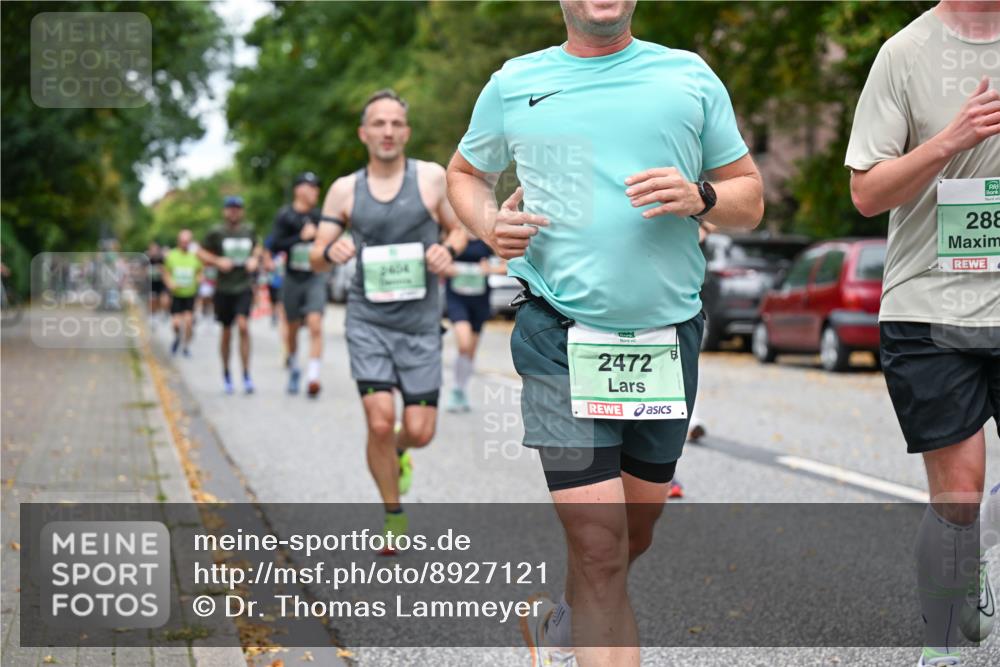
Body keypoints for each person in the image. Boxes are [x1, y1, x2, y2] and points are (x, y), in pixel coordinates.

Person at [446, 2, 763, 664]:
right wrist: (485, 224)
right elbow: (465, 174)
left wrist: (702, 196)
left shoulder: (688, 76)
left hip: (665, 340)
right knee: (598, 542)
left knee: (631, 533)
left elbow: (750, 196)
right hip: (557, 333)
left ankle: (566, 622)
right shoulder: (514, 81)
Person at [846, 2, 999, 665]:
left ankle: (971, 549)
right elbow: (867, 193)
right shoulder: (903, 55)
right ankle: (937, 651)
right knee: (959, 489)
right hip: (929, 303)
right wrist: (950, 140)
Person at [311, 89, 467, 549]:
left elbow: (459, 226)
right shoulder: (344, 189)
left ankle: (400, 451)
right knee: (379, 421)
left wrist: (448, 249)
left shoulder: (432, 179)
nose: (388, 131)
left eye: (396, 123)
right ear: (364, 133)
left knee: (419, 431)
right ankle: (393, 514)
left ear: (407, 132)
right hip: (368, 323)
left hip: (420, 324)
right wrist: (328, 251)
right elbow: (317, 257)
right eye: (378, 124)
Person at [269, 172, 327, 397]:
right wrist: (300, 238)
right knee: (292, 328)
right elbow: (274, 246)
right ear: (298, 190)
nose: (315, 192)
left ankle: (313, 376)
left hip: (314, 276)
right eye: (311, 187)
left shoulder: (320, 216)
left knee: (315, 324)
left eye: (317, 188)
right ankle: (294, 366)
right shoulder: (285, 216)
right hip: (293, 278)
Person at [198, 195, 260, 395]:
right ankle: (226, 374)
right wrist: (217, 261)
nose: (234, 211)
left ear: (241, 211)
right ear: (225, 211)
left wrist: (254, 258)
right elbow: (200, 252)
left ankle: (246, 374)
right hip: (223, 289)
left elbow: (258, 247)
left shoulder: (248, 230)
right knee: (226, 332)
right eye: (230, 208)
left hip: (243, 286)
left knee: (243, 326)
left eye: (237, 208)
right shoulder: (216, 232)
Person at [443, 232, 505, 412]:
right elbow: (438, 261)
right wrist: (448, 268)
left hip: (479, 300)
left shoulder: (487, 238)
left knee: (470, 351)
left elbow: (509, 265)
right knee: (464, 343)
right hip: (456, 298)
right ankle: (457, 388)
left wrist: (490, 269)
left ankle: (460, 390)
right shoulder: (453, 236)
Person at [163, 229, 202, 357]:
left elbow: (200, 272)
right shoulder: (172, 255)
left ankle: (186, 346)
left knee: (189, 322)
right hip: (176, 295)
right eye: (183, 241)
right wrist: (170, 283)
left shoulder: (195, 256)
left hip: (190, 294)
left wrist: (198, 280)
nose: (185, 244)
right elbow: (166, 273)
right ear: (178, 241)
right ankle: (177, 338)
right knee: (176, 324)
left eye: (187, 242)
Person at [145, 241, 168, 321]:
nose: (154, 251)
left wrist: (161, 269)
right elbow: (142, 271)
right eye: (152, 250)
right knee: (152, 300)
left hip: (161, 283)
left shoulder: (162, 259)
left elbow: (167, 270)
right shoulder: (147, 259)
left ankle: (162, 313)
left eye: (155, 249)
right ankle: (152, 315)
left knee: (164, 300)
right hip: (151, 283)